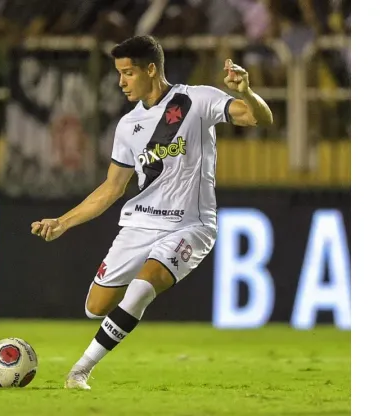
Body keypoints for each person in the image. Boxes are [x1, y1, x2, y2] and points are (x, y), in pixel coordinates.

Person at [29, 35, 273, 390]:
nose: (121, 82)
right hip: (140, 223)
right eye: (119, 73)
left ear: (152, 69)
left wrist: (246, 92)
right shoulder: (128, 126)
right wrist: (63, 222)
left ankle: (79, 371)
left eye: (128, 73)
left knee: (143, 287)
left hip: (191, 225)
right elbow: (112, 188)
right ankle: (125, 309)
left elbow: (258, 118)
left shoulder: (197, 99)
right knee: (96, 308)